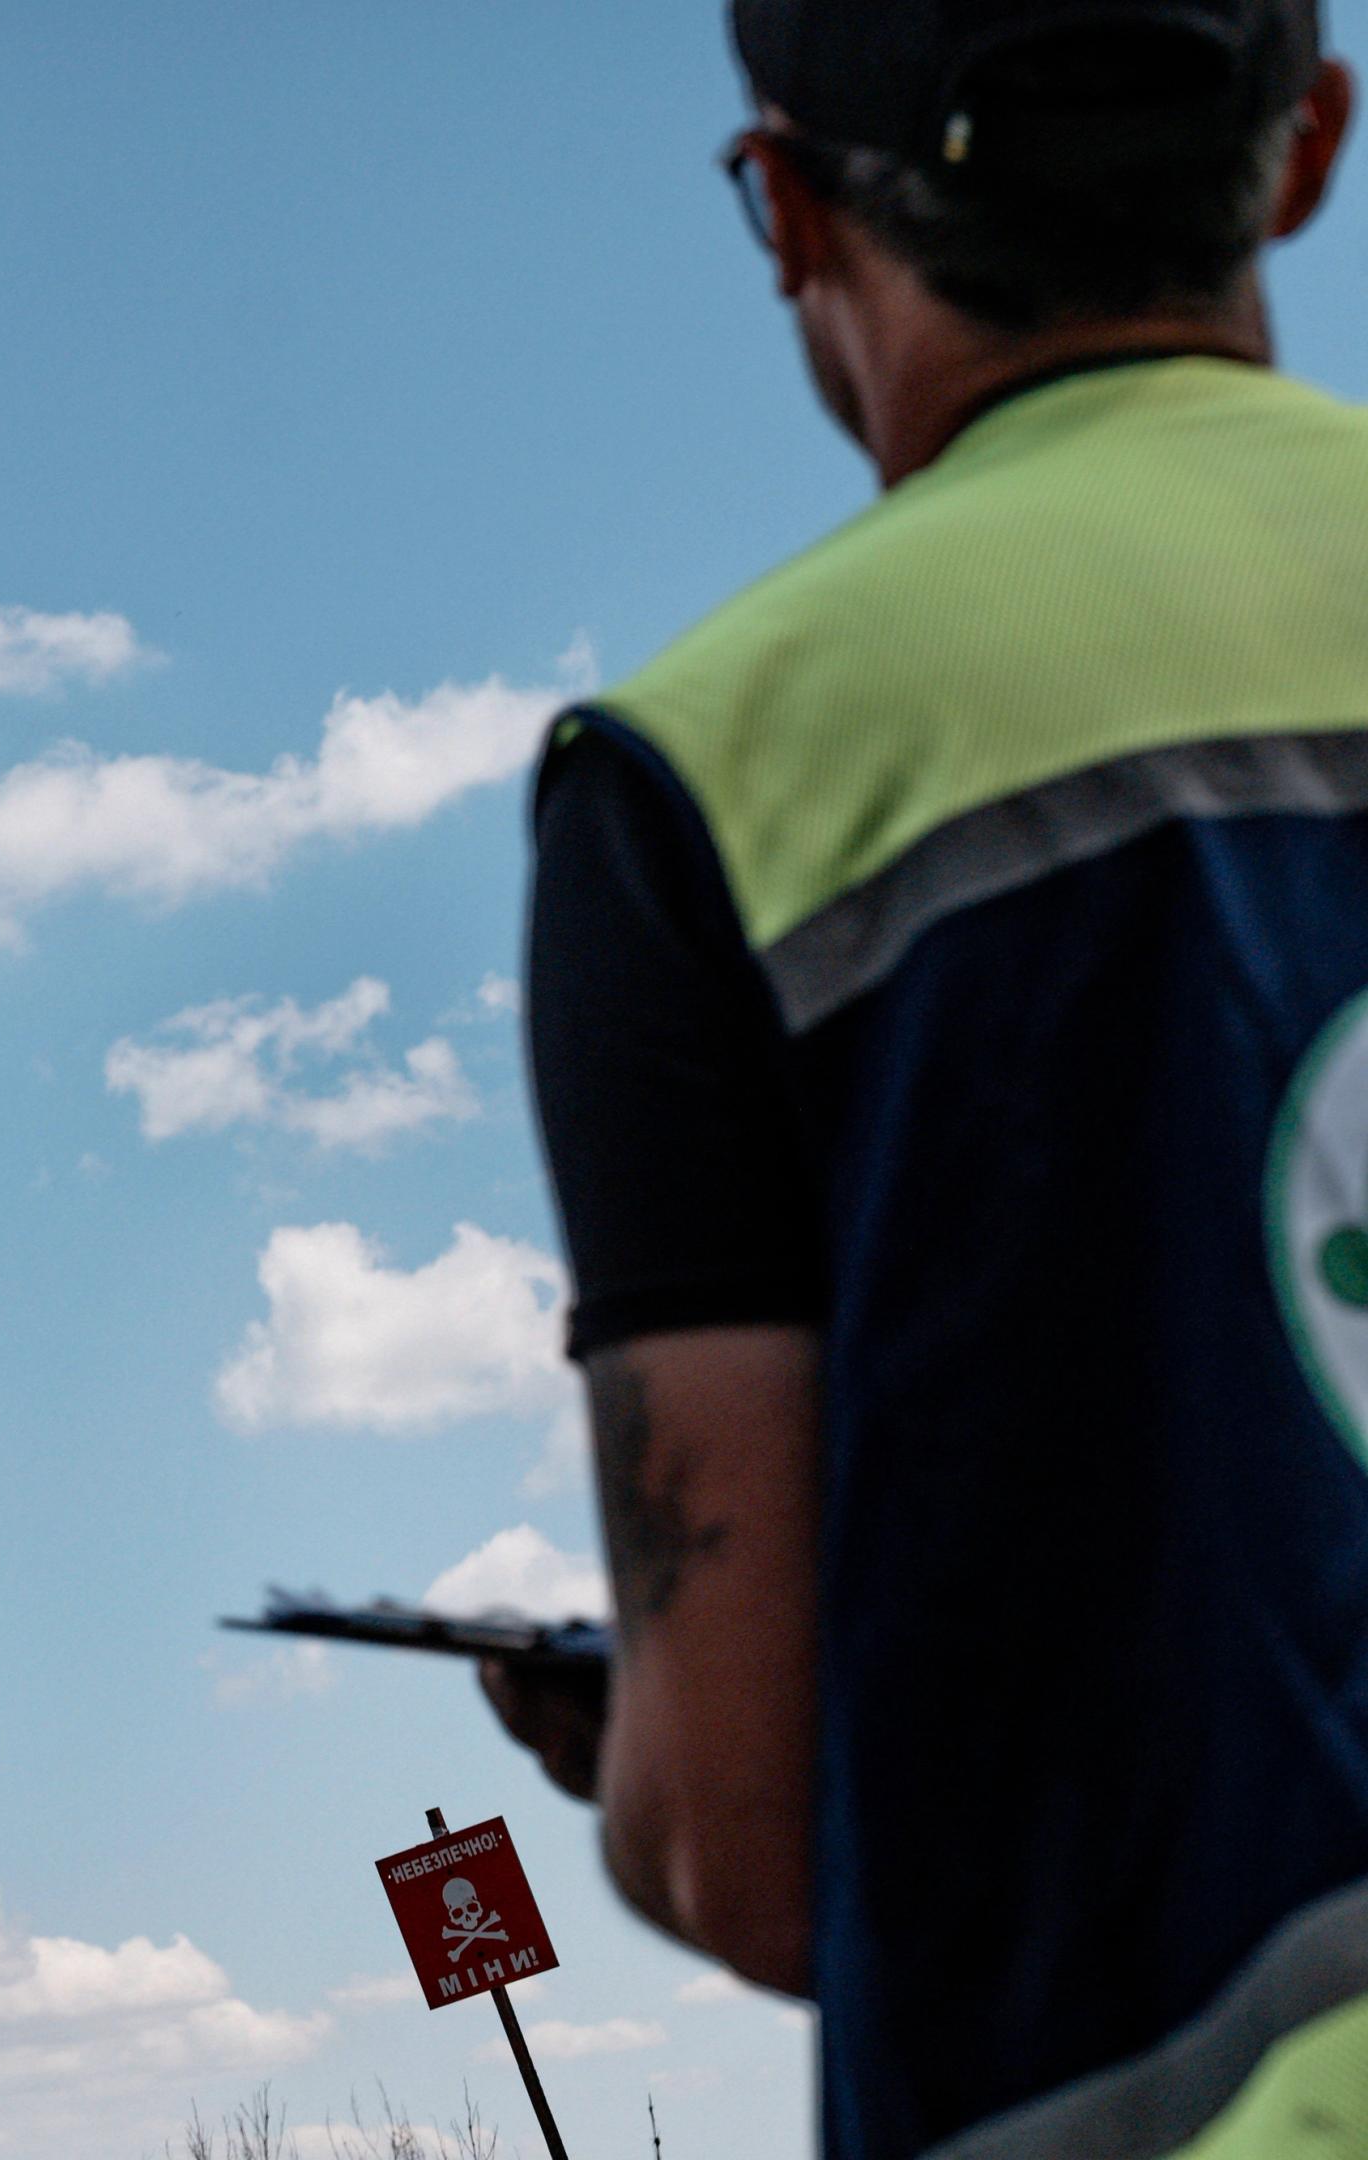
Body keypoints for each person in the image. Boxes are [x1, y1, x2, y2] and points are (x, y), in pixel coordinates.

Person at [472, 3, 1368, 2154]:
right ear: (1309, 145)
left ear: (786, 207)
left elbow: (747, 1849)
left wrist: (652, 1751)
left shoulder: (705, 777)